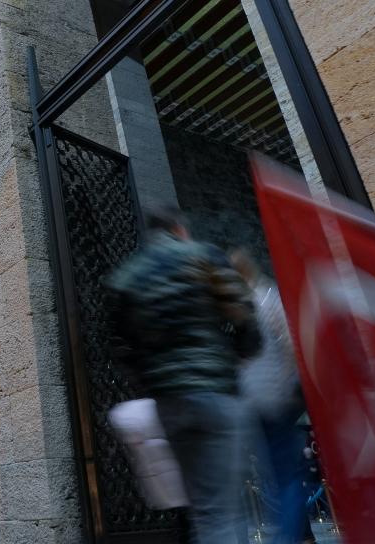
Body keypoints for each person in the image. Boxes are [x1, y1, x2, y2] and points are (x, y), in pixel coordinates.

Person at [105, 206, 260, 544]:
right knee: (226, 510)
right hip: (217, 393)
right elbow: (244, 318)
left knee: (203, 509)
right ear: (180, 229)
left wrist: (151, 382)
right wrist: (238, 354)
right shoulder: (206, 257)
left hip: (170, 402)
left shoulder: (128, 277)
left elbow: (121, 346)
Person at [231, 250, 316, 544]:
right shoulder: (267, 298)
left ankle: (292, 534)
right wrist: (290, 382)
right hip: (275, 396)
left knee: (272, 473)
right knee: (287, 475)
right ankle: (291, 536)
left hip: (249, 400)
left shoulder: (232, 309)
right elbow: (291, 345)